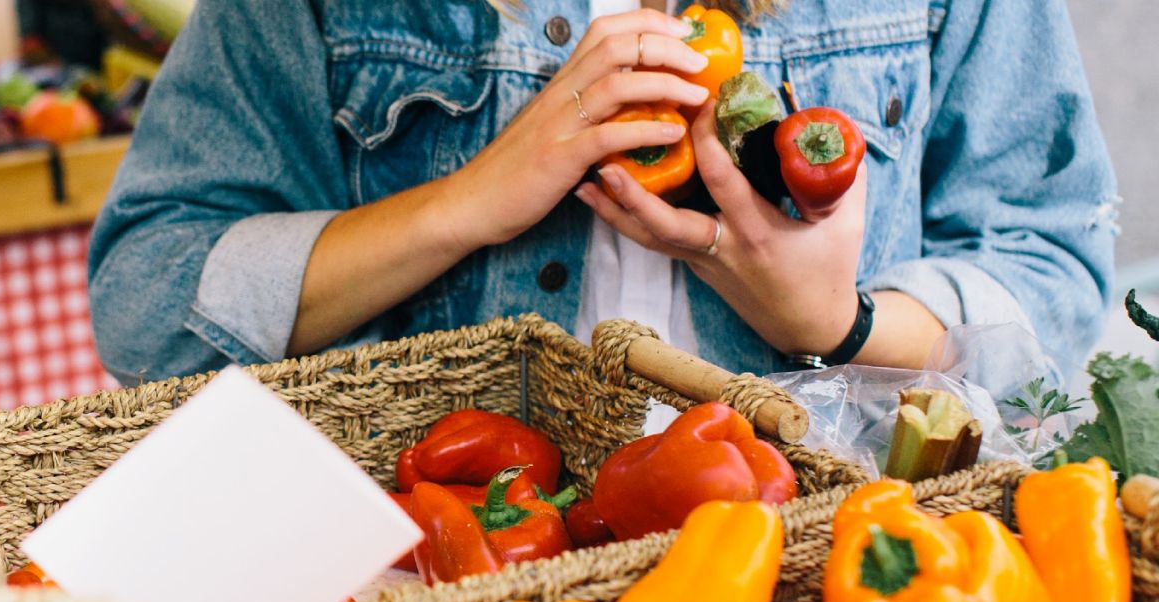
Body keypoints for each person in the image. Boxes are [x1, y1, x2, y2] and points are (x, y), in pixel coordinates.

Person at [87, 0, 1117, 388]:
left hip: (819, 569)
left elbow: (1056, 277)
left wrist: (832, 323)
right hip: (447, 571)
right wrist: (464, 204)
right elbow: (147, 304)